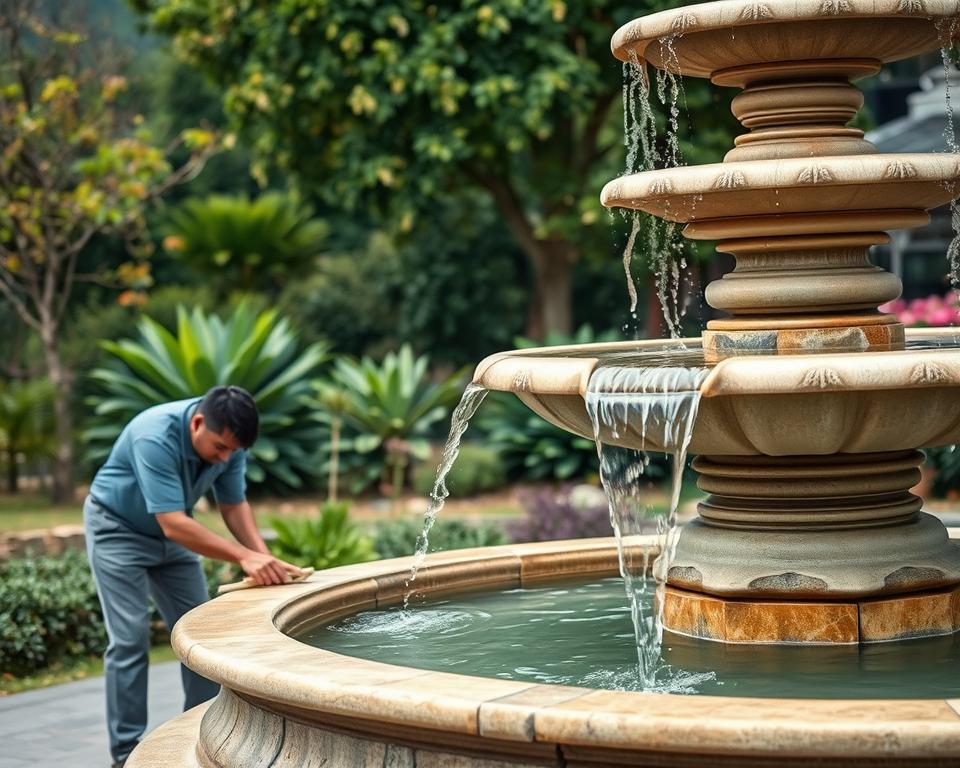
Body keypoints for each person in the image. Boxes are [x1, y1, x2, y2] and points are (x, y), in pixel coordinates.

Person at [83, 385, 302, 767]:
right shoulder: (154, 434)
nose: (226, 457)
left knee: (199, 638)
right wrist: (243, 556)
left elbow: (233, 505)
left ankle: (202, 734)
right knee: (130, 639)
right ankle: (125, 754)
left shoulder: (227, 443)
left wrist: (264, 560)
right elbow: (172, 523)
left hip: (177, 535)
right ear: (198, 423)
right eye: (220, 448)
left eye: (233, 452)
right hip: (117, 531)